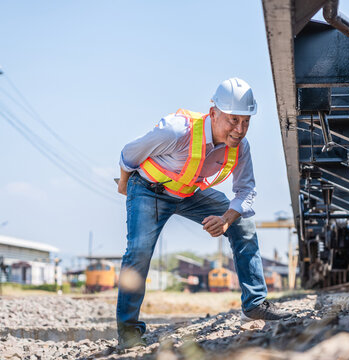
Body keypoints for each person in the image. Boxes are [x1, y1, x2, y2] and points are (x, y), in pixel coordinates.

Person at [116, 77, 283, 349]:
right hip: (149, 190)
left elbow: (245, 192)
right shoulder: (175, 131)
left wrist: (227, 220)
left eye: (246, 121)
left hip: (189, 193)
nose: (240, 129)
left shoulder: (241, 147)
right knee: (138, 252)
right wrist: (125, 187)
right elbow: (128, 155)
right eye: (233, 120)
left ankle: (254, 303)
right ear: (214, 113)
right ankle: (129, 332)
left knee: (244, 225)